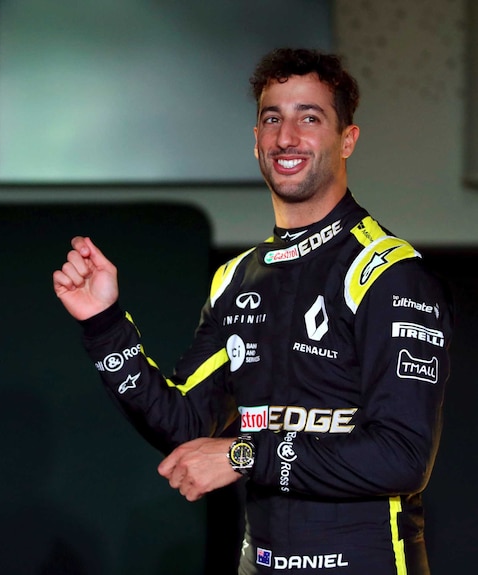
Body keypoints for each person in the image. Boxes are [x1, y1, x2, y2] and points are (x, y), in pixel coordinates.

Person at [53, 47, 453, 574]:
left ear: (347, 139)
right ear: (257, 140)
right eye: (272, 118)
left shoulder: (386, 272)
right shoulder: (237, 278)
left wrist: (243, 455)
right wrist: (104, 325)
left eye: (309, 117)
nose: (287, 136)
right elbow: (185, 424)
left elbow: (402, 458)